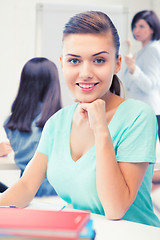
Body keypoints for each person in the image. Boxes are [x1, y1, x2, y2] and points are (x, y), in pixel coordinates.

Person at [0, 11, 160, 227]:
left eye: (99, 60)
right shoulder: (56, 122)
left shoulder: (138, 117)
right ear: (62, 63)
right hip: (79, 230)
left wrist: (101, 129)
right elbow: (27, 186)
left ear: (117, 63)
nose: (85, 72)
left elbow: (114, 208)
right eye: (74, 60)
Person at [3, 57, 62, 197]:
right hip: (56, 196)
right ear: (53, 85)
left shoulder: (10, 123)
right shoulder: (61, 122)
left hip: (25, 196)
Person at [123, 10, 160, 140]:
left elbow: (149, 85)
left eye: (141, 26)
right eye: (134, 26)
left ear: (152, 28)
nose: (136, 30)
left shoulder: (152, 50)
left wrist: (133, 69)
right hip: (141, 111)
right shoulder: (143, 50)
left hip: (148, 112)